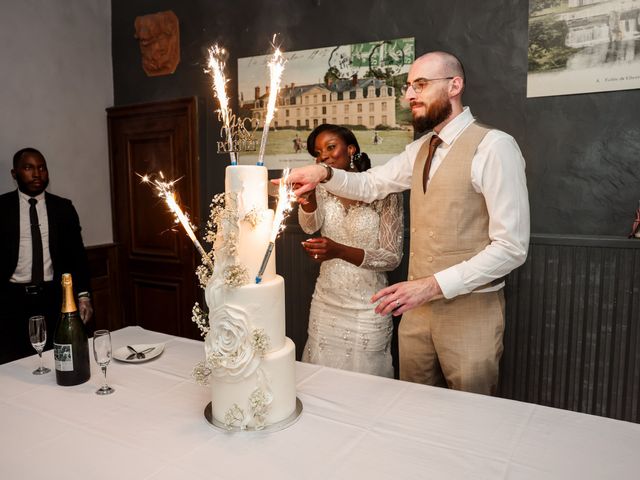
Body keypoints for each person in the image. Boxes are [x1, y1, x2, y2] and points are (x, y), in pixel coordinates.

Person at [286, 51, 530, 395]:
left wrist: (431, 286)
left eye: (421, 84)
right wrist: (323, 172)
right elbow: (371, 185)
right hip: (415, 313)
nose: (409, 95)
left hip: (471, 312)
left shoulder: (494, 147)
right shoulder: (419, 150)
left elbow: (511, 248)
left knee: (472, 415)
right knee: (409, 410)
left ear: (455, 85)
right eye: (408, 86)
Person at [298, 124, 403, 377]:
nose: (324, 156)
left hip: (370, 308)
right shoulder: (323, 187)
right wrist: (309, 199)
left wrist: (338, 251)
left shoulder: (384, 191)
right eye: (318, 152)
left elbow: (391, 258)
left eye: (331, 147)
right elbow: (309, 226)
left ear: (351, 149)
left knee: (365, 386)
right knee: (320, 380)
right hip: (326, 302)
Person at [0, 148, 93, 364]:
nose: (36, 174)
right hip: (11, 301)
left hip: (54, 298)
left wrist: (84, 296)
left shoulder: (63, 208)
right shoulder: (2, 208)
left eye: (41, 168)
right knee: (15, 366)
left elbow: (77, 257)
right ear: (14, 174)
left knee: (59, 361)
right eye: (28, 168)